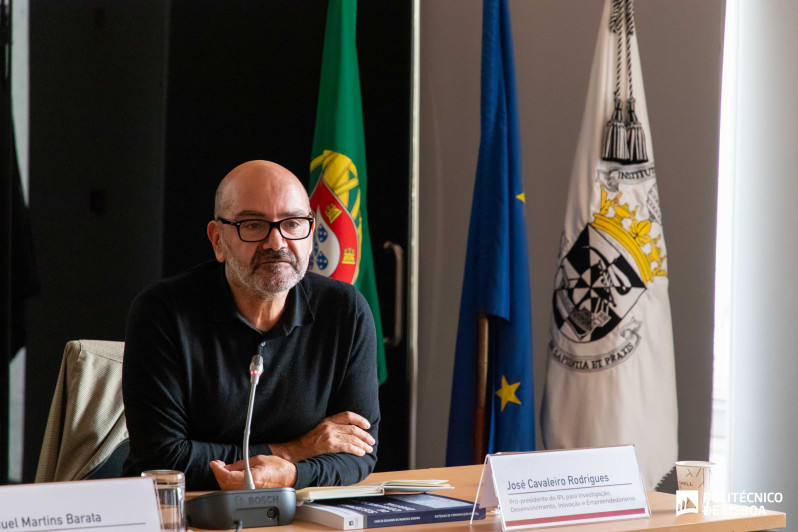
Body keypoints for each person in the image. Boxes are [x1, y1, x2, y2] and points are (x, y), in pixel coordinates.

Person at [121, 160, 380, 490]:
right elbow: (162, 461)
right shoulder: (161, 312)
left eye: (293, 223)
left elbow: (359, 452)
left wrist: (291, 475)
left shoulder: (346, 311)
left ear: (312, 233)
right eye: (254, 225)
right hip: (183, 513)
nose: (277, 242)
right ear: (218, 240)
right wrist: (297, 451)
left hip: (297, 512)